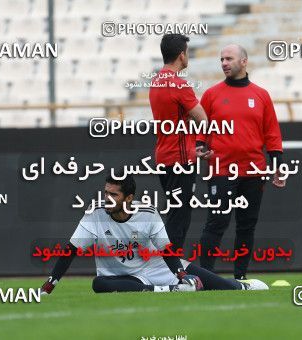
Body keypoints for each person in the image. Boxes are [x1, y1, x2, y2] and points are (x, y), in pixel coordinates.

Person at [40, 173, 268, 294]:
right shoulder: (95, 214)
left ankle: (243, 286)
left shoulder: (148, 213)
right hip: (122, 277)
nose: (107, 198)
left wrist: (181, 275)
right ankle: (170, 291)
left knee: (221, 286)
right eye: (106, 192)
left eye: (114, 195)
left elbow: (167, 251)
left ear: (128, 198)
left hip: (157, 266)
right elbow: (70, 251)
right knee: (99, 284)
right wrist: (50, 285)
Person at [196, 44, 286, 280]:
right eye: (221, 59)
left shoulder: (261, 95)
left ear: (244, 62)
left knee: (247, 225)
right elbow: (200, 130)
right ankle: (205, 276)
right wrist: (199, 147)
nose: (224, 63)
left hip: (253, 171)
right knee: (216, 223)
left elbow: (272, 133)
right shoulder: (211, 94)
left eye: (229, 58)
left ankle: (240, 277)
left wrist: (277, 165)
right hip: (221, 170)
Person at [148, 34, 212, 252]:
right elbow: (203, 119)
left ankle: (168, 267)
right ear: (181, 55)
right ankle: (169, 269)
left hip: (164, 157)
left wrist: (192, 148)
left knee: (175, 213)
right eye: (187, 52)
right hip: (180, 159)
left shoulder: (156, 82)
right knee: (180, 218)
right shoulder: (179, 84)